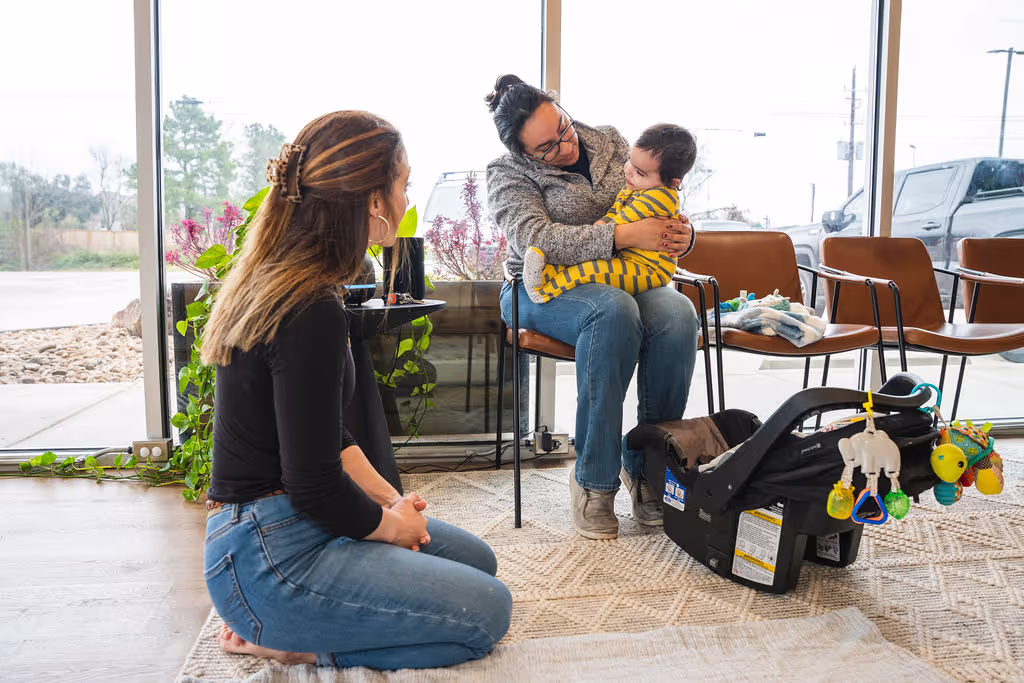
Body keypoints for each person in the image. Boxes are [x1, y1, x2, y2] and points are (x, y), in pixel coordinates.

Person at [200, 111, 512, 670]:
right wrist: (389, 529)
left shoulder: (296, 283)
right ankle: (290, 643)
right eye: (404, 184)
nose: (405, 199)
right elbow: (314, 484)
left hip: (281, 525)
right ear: (373, 201)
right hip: (269, 554)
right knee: (487, 611)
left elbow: (330, 437)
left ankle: (296, 617)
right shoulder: (307, 307)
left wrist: (390, 502)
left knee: (476, 562)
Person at [485, 75, 700, 540]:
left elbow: (655, 196)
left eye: (563, 128)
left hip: (625, 276)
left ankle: (649, 468)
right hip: (538, 288)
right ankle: (594, 480)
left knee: (679, 314)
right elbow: (537, 239)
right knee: (612, 310)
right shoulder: (505, 173)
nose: (565, 145)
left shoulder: (610, 141)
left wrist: (681, 235)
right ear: (523, 152)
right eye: (546, 148)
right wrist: (623, 236)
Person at [522, 123, 697, 304]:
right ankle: (550, 273)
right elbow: (616, 209)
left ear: (672, 182)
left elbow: (625, 218)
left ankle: (545, 290)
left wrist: (685, 234)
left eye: (639, 172)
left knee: (592, 271)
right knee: (594, 271)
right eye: (630, 161)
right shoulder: (637, 187)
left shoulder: (660, 196)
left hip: (648, 269)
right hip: (626, 259)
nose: (627, 170)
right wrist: (602, 224)